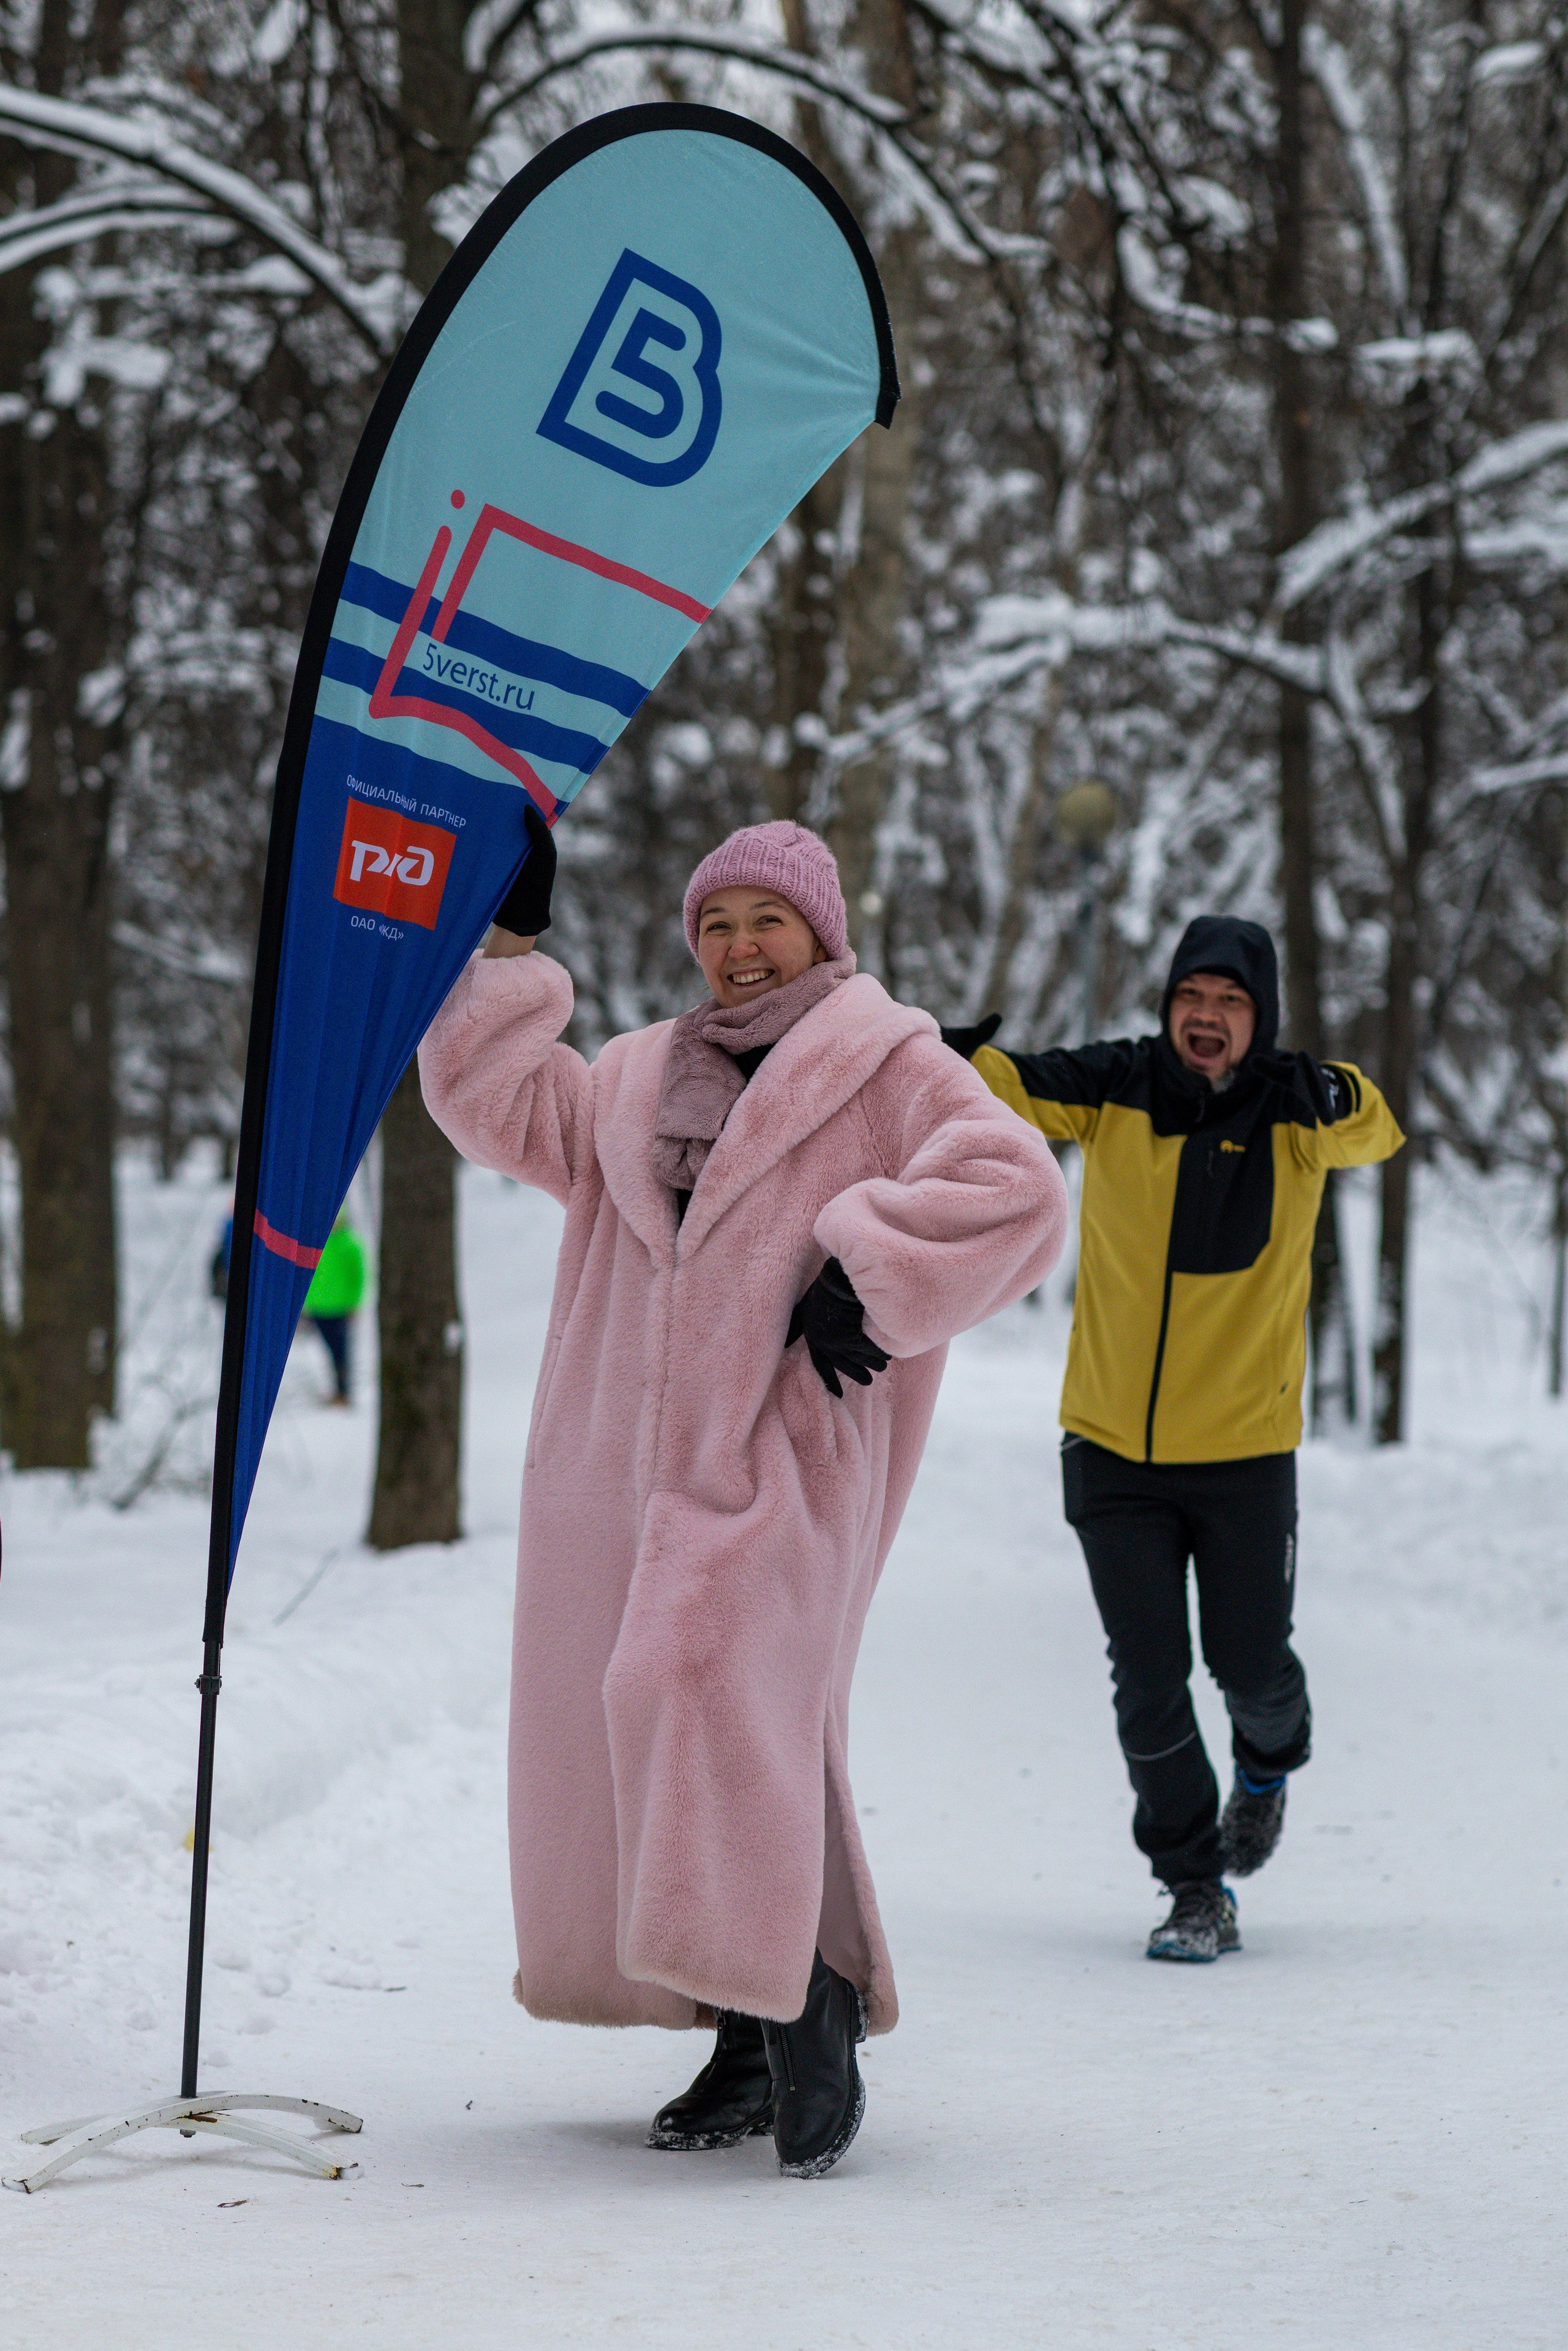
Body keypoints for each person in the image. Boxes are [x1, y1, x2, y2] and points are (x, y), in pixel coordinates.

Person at [419, 812, 1067, 2176]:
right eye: (714, 924)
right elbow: (495, 1101)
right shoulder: (636, 1075)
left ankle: (807, 1997)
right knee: (689, 1718)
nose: (739, 946)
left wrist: (868, 1272)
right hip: (619, 1465)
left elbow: (1016, 1189)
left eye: (766, 919)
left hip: (782, 1449)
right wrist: (507, 946)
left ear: (821, 930)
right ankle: (736, 2024)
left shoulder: (888, 1061)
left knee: (697, 1678)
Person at [945, 916, 1403, 1963]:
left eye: (1231, 1000)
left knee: (1250, 1664)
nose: (1207, 1016)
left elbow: (1374, 1127)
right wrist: (937, 1049)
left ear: (1260, 1016)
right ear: (1168, 1005)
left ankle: (1268, 1762)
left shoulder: (1294, 1108)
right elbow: (1005, 1088)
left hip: (1244, 1453)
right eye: (1192, 995)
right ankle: (1195, 1883)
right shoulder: (1118, 1085)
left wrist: (1338, 1088)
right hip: (1111, 1447)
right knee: (1148, 1678)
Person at [301, 1212, 366, 1405]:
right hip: (318, 1307)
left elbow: (359, 1276)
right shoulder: (316, 1243)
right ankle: (338, 1391)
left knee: (340, 1352)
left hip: (340, 1309)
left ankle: (343, 1392)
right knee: (328, 1351)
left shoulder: (350, 1243)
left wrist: (355, 1303)